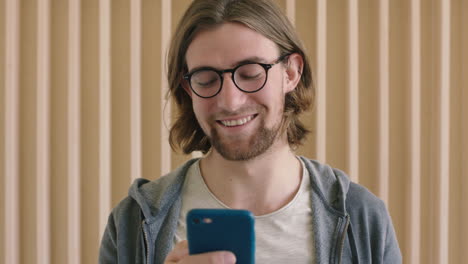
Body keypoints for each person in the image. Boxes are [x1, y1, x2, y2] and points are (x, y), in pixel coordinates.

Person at [99, 0, 402, 263]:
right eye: (206, 79)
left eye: (251, 73)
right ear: (187, 88)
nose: (230, 101)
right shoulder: (132, 223)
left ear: (291, 73)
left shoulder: (363, 219)